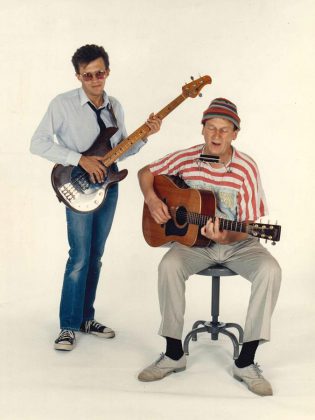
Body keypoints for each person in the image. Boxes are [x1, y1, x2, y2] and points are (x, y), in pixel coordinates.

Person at [137, 98, 281, 396]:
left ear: (235, 134)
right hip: (195, 244)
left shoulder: (246, 169)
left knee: (270, 270)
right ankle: (174, 353)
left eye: (224, 130)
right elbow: (145, 173)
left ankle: (246, 360)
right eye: (211, 128)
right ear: (203, 130)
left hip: (238, 242)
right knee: (169, 265)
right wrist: (152, 200)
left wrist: (227, 237)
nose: (217, 136)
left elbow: (251, 222)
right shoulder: (186, 158)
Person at [30, 44, 161, 351]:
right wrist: (78, 159)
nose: (94, 79)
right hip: (78, 185)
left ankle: (86, 318)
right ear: (78, 76)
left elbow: (120, 149)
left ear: (108, 72)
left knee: (96, 256)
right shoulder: (62, 105)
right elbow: (37, 143)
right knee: (79, 256)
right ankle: (67, 326)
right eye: (87, 74)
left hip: (108, 185)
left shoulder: (115, 105)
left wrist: (144, 135)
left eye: (99, 72)